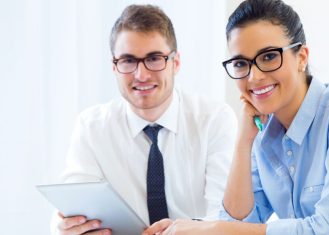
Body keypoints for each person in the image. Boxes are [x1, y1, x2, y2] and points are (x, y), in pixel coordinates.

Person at [143, 0, 329, 234]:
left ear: (301, 57)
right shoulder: (263, 134)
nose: (254, 76)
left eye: (269, 56)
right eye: (241, 63)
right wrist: (243, 140)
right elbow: (238, 223)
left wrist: (208, 228)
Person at [51, 4, 237, 235]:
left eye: (154, 58)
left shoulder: (214, 120)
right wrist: (69, 227)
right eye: (128, 61)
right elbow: (73, 204)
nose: (141, 75)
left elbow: (224, 218)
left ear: (175, 63)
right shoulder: (91, 127)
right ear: (114, 67)